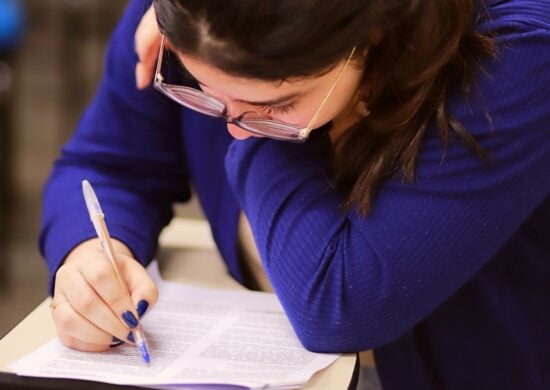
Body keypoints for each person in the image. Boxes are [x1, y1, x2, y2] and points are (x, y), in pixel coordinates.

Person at [41, 0, 549, 389]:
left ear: (371, 36)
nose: (234, 131)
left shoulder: (523, 50)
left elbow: (344, 302)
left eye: (275, 103)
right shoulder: (190, 16)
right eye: (198, 85)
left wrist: (253, 117)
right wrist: (89, 255)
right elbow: (106, 163)